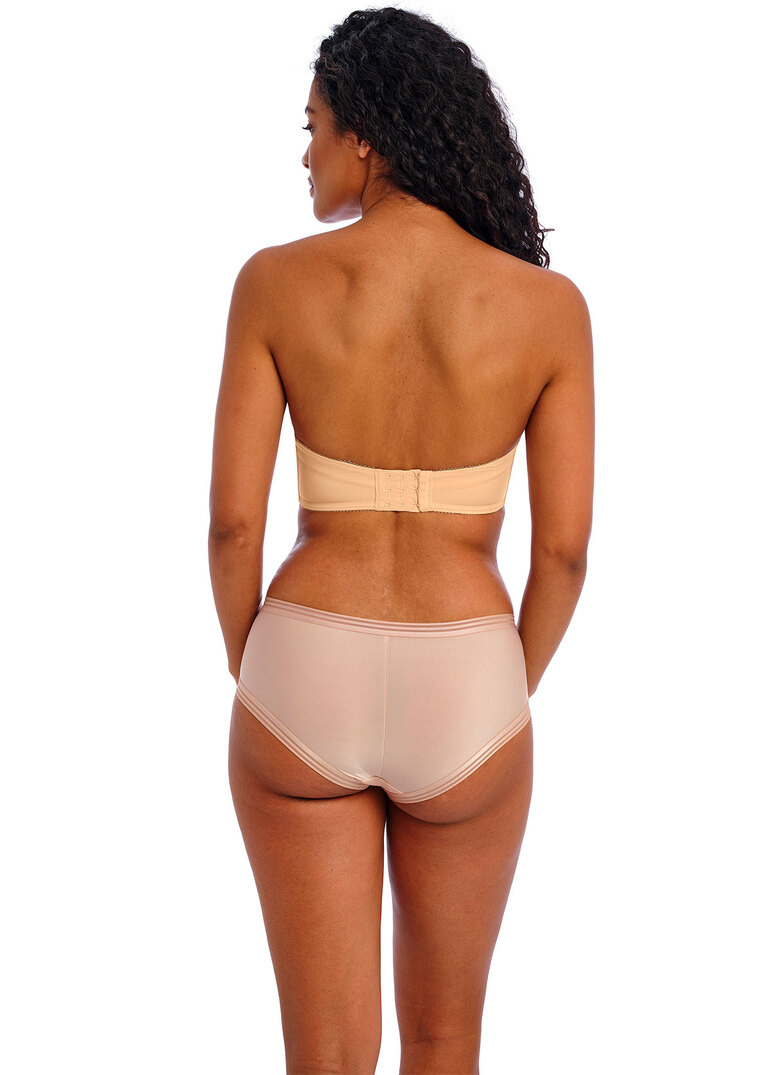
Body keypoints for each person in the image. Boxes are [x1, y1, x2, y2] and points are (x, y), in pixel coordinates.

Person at [208, 7, 594, 1073]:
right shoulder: (547, 306)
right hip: (469, 674)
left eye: (314, 127)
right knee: (445, 1040)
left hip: (304, 662)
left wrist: (258, 668)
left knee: (325, 1057)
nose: (306, 153)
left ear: (367, 136)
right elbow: (564, 552)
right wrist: (502, 683)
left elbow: (233, 523)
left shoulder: (274, 283)